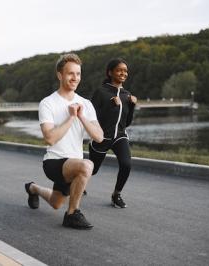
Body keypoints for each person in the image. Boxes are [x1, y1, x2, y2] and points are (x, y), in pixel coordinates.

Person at [25, 53, 104, 230]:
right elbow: (50, 138)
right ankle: (72, 214)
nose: (75, 78)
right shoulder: (48, 103)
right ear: (60, 75)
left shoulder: (86, 104)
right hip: (54, 162)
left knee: (55, 202)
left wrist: (81, 116)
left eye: (78, 74)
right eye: (70, 73)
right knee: (87, 165)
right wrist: (70, 118)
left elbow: (99, 137)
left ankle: (32, 188)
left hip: (72, 163)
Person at [88, 58, 137, 208]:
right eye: (119, 70)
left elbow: (126, 122)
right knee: (93, 170)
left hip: (120, 136)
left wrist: (132, 106)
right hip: (101, 137)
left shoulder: (127, 95)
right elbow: (91, 117)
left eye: (125, 71)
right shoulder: (101, 92)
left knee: (126, 164)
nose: (123, 73)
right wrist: (111, 106)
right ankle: (77, 183)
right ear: (110, 72)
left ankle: (116, 195)